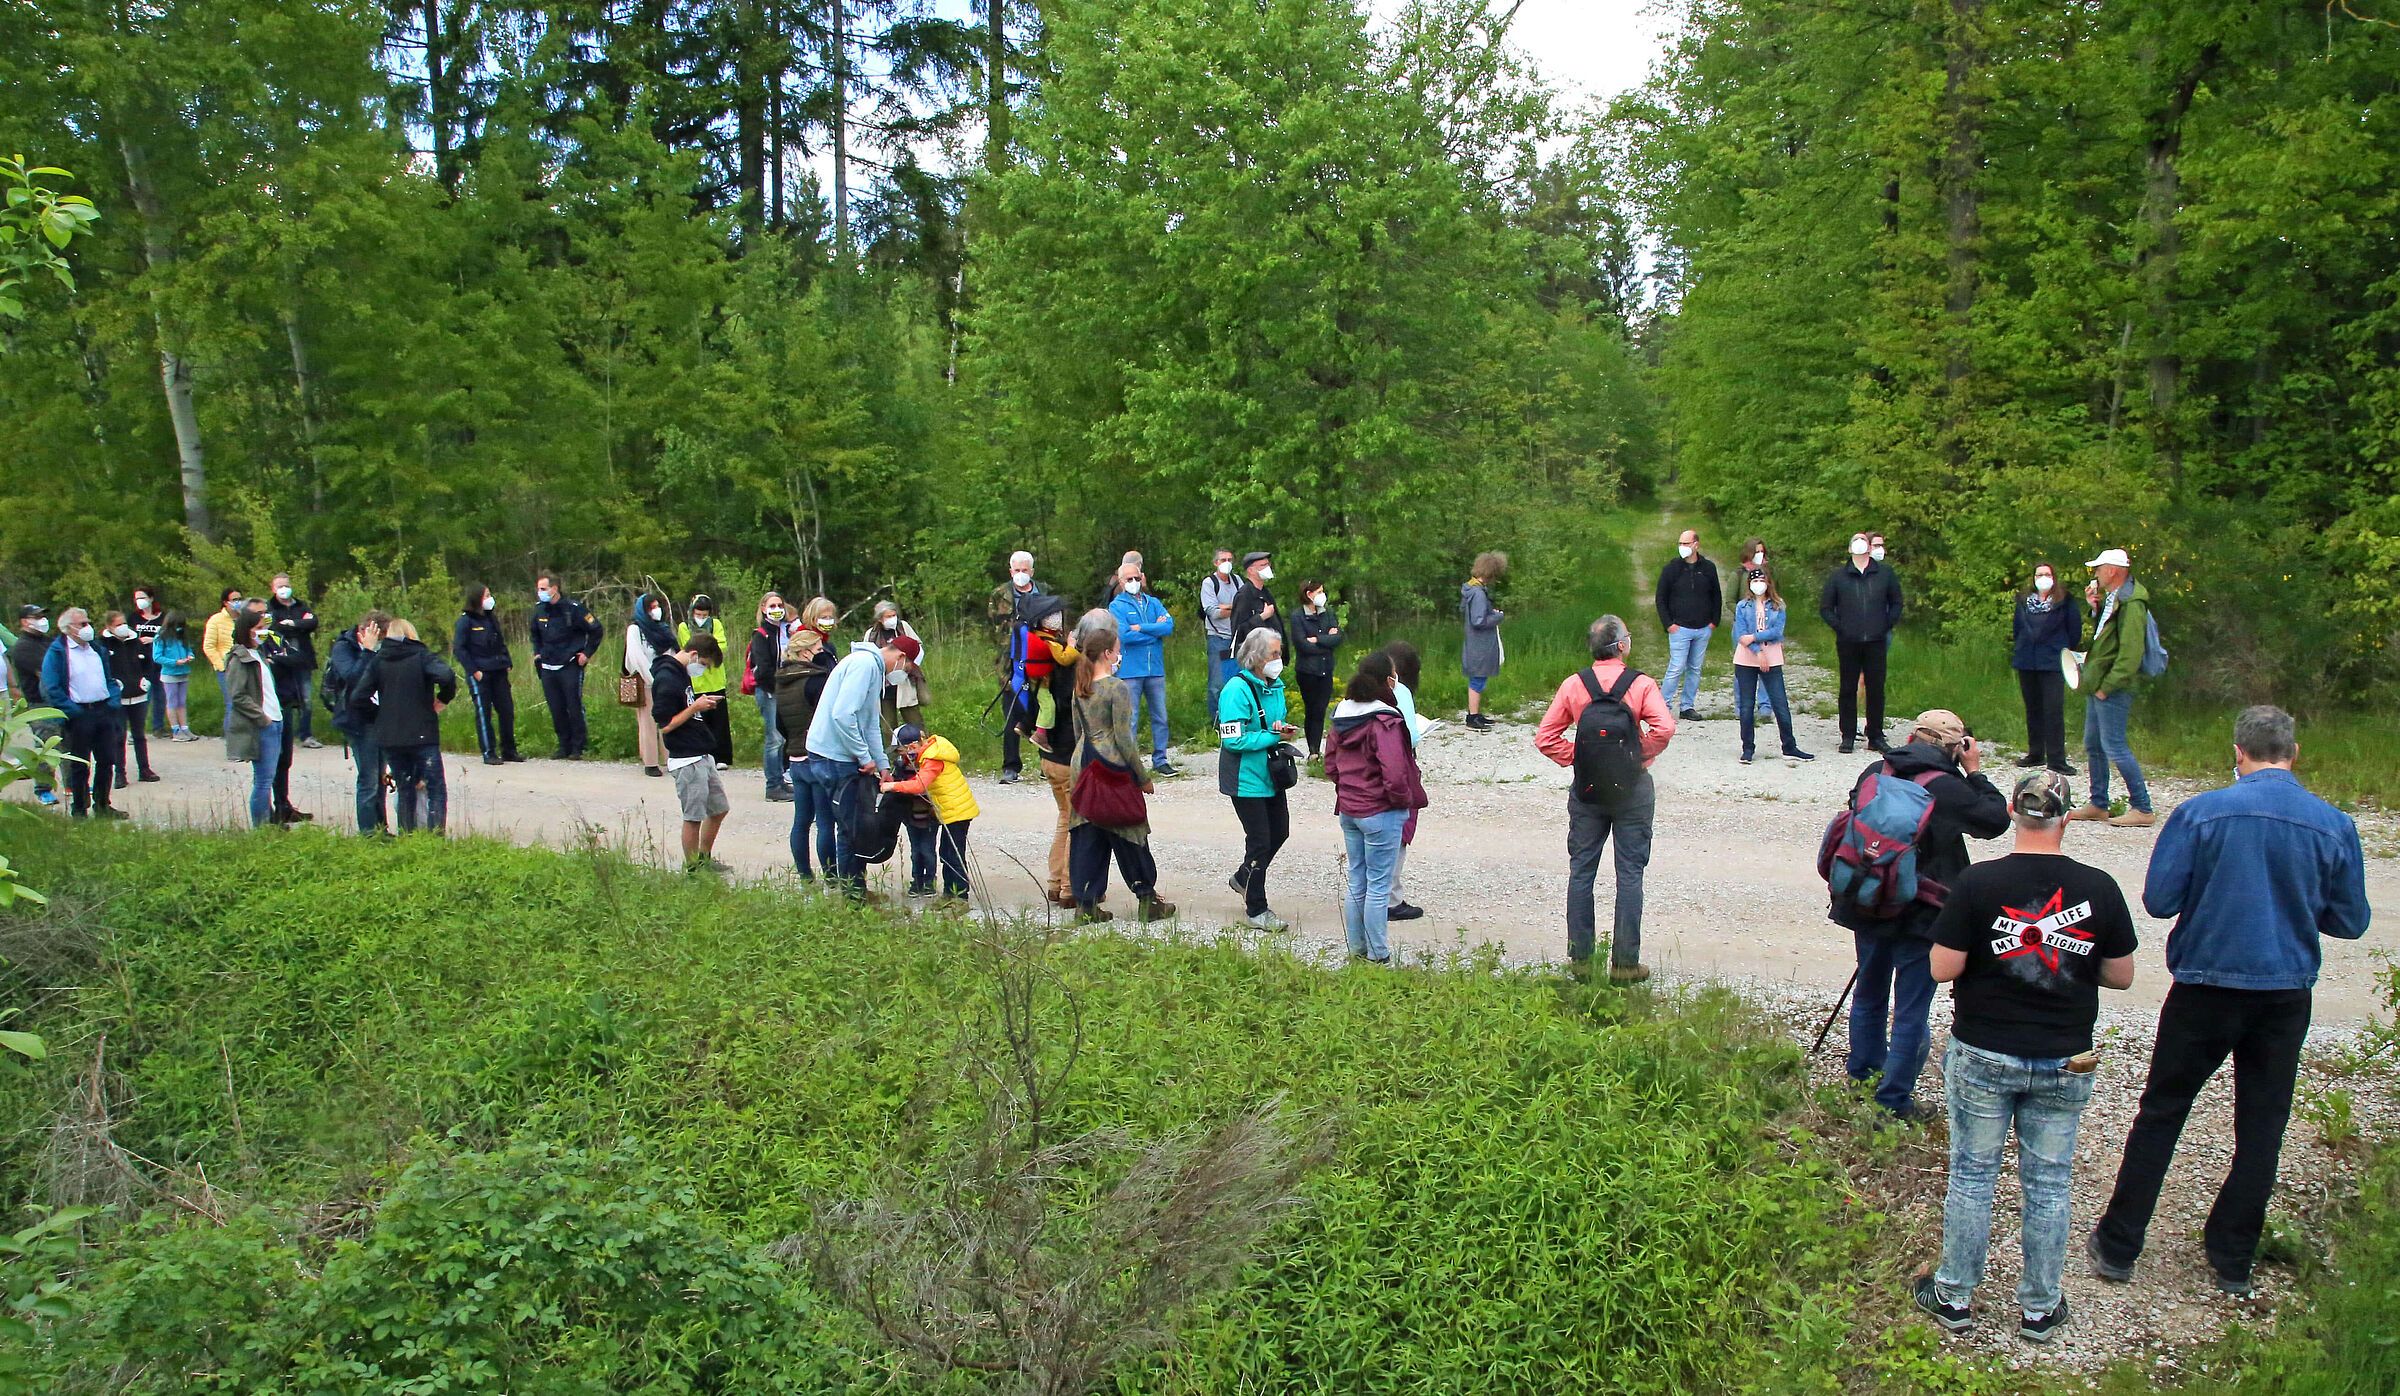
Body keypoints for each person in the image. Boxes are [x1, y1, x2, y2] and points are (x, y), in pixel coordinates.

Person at [2090, 705, 2372, 1298]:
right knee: (2262, 1126)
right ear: (2293, 754)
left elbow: (2161, 899)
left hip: (2204, 986)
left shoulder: (2200, 814)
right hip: (2283, 992)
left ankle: (2119, 1244)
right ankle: (2232, 1258)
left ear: (2237, 754)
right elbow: (2350, 920)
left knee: (2163, 1111)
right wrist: (2297, 902)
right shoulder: (2333, 824)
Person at [1913, 769, 2137, 1343]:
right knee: (2050, 1183)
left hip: (1985, 1049)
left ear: (2012, 810)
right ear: (2066, 817)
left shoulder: (1978, 883)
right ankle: (2040, 1306)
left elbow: (1942, 968)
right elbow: (2121, 975)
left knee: (1972, 1175)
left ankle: (1955, 1294)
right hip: (2065, 1056)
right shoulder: (2101, 887)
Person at [1833, 709, 2010, 1118]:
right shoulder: (1948, 787)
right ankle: (1893, 1102)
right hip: (1923, 909)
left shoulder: (1876, 770)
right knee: (1911, 1007)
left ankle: (1862, 1079)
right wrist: (1975, 771)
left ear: (1912, 735)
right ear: (1955, 748)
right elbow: (1994, 820)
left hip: (1870, 897)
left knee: (1870, 992)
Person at [1533, 615, 1676, 981]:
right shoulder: (1641, 684)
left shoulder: (1574, 685)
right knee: (1630, 874)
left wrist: (1582, 758)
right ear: (1622, 646)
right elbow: (1664, 727)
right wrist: (1635, 757)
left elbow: (1545, 737)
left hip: (1588, 790)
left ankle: (1581, 961)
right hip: (1633, 788)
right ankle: (1625, 964)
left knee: (1582, 871)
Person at [1067, 610, 1175, 923]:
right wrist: (1142, 778)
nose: (1119, 655)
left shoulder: (1080, 687)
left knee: (1087, 832)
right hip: (1110, 764)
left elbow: (1078, 731)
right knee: (1129, 827)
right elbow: (1124, 740)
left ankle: (1086, 904)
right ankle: (1146, 898)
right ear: (1108, 653)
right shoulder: (1117, 688)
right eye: (1117, 650)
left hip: (1082, 762)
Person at [1325, 652, 1427, 964]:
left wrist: (1350, 788)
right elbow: (1395, 772)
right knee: (1379, 886)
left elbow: (1331, 765)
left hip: (1350, 809)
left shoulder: (1341, 715)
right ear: (1388, 681)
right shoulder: (1385, 719)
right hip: (1380, 811)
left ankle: (1357, 950)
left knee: (1358, 880)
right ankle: (1379, 955)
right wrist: (1399, 803)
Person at [803, 630, 915, 894]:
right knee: (849, 827)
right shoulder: (863, 665)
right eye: (908, 667)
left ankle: (853, 888)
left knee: (852, 824)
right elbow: (843, 714)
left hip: (839, 754)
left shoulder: (873, 670)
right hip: (833, 756)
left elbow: (870, 725)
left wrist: (883, 765)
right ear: (900, 656)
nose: (906, 673)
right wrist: (865, 758)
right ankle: (853, 894)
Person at [2065, 548, 2156, 828]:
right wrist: (2094, 607)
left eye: (2099, 569)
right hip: (2099, 682)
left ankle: (2142, 807)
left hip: (2113, 685)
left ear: (2113, 571)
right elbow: (2104, 636)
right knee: (2093, 743)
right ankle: (2098, 803)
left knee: (2114, 745)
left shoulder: (2132, 603)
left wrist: (2108, 686)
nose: (2096, 574)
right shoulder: (2113, 599)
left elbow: (2130, 653)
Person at [1218, 625, 1301, 930]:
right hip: (1244, 777)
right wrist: (1269, 736)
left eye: (1280, 653)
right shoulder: (1235, 691)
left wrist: (1281, 729)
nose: (1279, 659)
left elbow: (1271, 723)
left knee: (1280, 831)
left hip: (1270, 773)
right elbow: (1233, 740)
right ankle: (1257, 908)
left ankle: (1243, 878)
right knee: (1260, 841)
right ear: (1255, 657)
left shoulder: (1274, 685)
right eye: (1274, 654)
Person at [351, 618, 457, 834]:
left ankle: (407, 835)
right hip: (422, 733)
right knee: (435, 787)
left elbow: (358, 697)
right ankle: (435, 836)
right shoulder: (420, 656)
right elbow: (446, 675)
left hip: (391, 736)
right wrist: (443, 698)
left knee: (405, 785)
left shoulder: (379, 660)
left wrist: (380, 715)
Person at [1819, 532, 1905, 754]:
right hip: (1848, 641)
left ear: (1869, 547)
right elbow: (1826, 608)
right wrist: (1841, 628)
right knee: (1848, 688)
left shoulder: (1884, 574)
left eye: (1863, 540)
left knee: (1876, 688)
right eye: (1855, 540)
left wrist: (1885, 625)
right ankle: (1848, 734)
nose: (1859, 544)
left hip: (1876, 640)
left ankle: (1875, 734)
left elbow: (1896, 602)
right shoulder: (1838, 577)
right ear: (1849, 549)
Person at [652, 630, 731, 872]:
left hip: (701, 752)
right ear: (694, 654)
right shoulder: (667, 678)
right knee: (693, 816)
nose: (703, 670)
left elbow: (684, 707)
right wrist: (695, 706)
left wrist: (700, 704)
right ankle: (692, 868)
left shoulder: (681, 674)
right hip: (686, 758)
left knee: (719, 809)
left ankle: (704, 857)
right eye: (704, 665)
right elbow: (665, 724)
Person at [1023, 593, 1083, 906]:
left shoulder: (1038, 660)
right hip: (1066, 754)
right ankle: (1071, 888)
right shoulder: (1063, 661)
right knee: (1075, 820)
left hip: (1048, 758)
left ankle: (1054, 883)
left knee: (1063, 817)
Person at [39, 607, 126, 819]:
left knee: (107, 760)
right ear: (68, 628)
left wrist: (113, 701)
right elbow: (52, 687)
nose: (88, 628)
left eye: (88, 622)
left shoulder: (97, 649)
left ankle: (103, 804)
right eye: (82, 624)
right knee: (79, 764)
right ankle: (79, 809)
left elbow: (109, 678)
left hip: (103, 710)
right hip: (79, 714)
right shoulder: (58, 652)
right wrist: (73, 711)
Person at [882, 721, 981, 900]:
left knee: (953, 855)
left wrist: (892, 786)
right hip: (952, 811)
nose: (900, 755)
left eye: (900, 751)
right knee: (947, 853)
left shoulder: (933, 759)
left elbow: (919, 785)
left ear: (912, 746)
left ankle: (959, 897)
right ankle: (950, 895)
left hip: (956, 812)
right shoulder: (932, 753)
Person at [774, 623, 839, 881]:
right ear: (805, 653)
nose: (822, 652)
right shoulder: (815, 680)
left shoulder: (782, 681)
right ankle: (832, 876)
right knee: (825, 822)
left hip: (795, 757)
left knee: (801, 821)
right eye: (817, 648)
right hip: (817, 755)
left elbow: (780, 723)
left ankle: (804, 874)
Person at [1731, 567, 1813, 764]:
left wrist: (1755, 637)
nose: (1758, 584)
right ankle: (1747, 748)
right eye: (1754, 581)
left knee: (1780, 703)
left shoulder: (1778, 606)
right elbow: (1742, 635)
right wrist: (1758, 651)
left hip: (1773, 656)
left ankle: (1789, 746)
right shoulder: (1742, 606)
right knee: (1746, 705)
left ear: (1768, 583)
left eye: (1761, 580)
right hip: (1747, 658)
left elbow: (1777, 631)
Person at [322, 610, 391, 834]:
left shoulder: (379, 648)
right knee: (369, 779)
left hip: (379, 717)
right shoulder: (344, 647)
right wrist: (368, 651)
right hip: (358, 719)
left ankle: (381, 827)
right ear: (365, 631)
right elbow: (353, 677)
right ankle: (368, 831)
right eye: (379, 638)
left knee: (381, 778)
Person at [1108, 562, 1179, 777]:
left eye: (1136, 578)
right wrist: (1153, 632)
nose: (1133, 582)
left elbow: (1168, 626)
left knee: (1161, 716)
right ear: (1121, 582)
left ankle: (1161, 760)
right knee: (1131, 718)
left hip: (1155, 669)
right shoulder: (1116, 606)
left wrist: (1142, 628)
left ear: (1142, 578)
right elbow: (1125, 636)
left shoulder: (1153, 602)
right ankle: (1130, 762)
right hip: (1130, 670)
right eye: (1128, 579)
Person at [2011, 562, 2082, 776]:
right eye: (2039, 574)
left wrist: (2062, 650)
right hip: (2027, 660)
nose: (2043, 578)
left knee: (2053, 709)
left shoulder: (2065, 601)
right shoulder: (2024, 601)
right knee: (2033, 708)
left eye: (2047, 574)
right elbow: (2017, 628)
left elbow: (2074, 630)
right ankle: (2035, 753)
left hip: (2053, 661)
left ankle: (2057, 759)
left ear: (2054, 577)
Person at [220, 609, 284, 828]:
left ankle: (270, 821)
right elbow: (238, 695)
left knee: (269, 777)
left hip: (276, 720)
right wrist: (262, 718)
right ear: (245, 631)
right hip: (263, 724)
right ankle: (261, 827)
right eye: (257, 629)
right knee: (263, 780)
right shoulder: (239, 658)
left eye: (263, 628)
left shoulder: (259, 654)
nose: (262, 632)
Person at [1380, 640, 1428, 922]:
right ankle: (1390, 899)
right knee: (1398, 833)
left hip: (1362, 780)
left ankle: (1371, 895)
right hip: (1396, 771)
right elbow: (1410, 736)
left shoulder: (1357, 693)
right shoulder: (1402, 693)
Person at [533, 575, 603, 761]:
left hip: (569, 664)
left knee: (573, 705)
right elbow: (535, 634)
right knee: (556, 707)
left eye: (543, 589)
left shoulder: (574, 609)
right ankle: (563, 745)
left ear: (554, 588)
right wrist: (537, 653)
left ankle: (578, 746)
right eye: (539, 589)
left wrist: (586, 653)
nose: (540, 593)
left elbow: (596, 629)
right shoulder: (539, 610)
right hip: (548, 666)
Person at [1654, 529, 1721, 722]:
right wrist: (1668, 624)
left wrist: (1713, 622)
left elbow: (1716, 595)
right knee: (1676, 667)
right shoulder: (1671, 569)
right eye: (1680, 544)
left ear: (1696, 545)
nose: (1682, 547)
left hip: (1702, 628)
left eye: (1686, 543)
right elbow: (1661, 598)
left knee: (1695, 668)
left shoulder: (1708, 568)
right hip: (1679, 628)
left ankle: (1687, 706)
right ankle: (1662, 705)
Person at [991, 551, 1046, 783]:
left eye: (1025, 570)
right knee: (1011, 712)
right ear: (1010, 571)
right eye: (1017, 570)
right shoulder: (999, 595)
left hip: (1041, 659)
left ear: (1032, 572)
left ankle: (1048, 763)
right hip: (1011, 663)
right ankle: (1011, 766)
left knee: (1045, 710)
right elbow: (995, 629)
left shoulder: (1044, 590)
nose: (1021, 575)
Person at [453, 584, 522, 765]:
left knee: (506, 710)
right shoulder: (465, 621)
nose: (490, 599)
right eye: (486, 596)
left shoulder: (491, 619)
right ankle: (488, 751)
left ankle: (509, 749)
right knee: (484, 712)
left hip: (498, 670)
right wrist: (474, 670)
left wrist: (507, 662)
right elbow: (460, 649)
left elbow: (500, 642)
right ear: (477, 599)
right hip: (480, 672)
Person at [261, 596, 314, 822]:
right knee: (269, 761)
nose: (265, 617)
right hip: (265, 706)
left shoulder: (275, 635)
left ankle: (283, 805)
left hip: (285, 700)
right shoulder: (248, 640)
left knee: (285, 759)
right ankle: (267, 815)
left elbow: (299, 658)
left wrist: (279, 659)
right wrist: (280, 658)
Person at [97, 612, 158, 786]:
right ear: (109, 627)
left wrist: (146, 678)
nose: (123, 627)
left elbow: (147, 663)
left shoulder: (136, 642)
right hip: (118, 698)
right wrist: (112, 685)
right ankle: (120, 773)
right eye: (118, 624)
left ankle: (144, 769)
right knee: (118, 736)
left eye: (124, 623)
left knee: (139, 735)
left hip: (138, 695)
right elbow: (102, 669)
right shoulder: (103, 645)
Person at [265, 573, 323, 749]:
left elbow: (313, 622)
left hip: (303, 659)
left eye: (286, 585)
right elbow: (274, 626)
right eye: (279, 586)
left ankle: (306, 735)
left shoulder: (301, 605)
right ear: (273, 589)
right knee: (283, 698)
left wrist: (293, 624)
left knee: (306, 698)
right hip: (280, 661)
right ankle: (283, 734)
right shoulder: (269, 607)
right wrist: (298, 624)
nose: (284, 589)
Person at [749, 592, 795, 802]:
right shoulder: (761, 635)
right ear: (763, 609)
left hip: (783, 690)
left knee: (782, 737)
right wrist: (777, 687)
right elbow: (763, 668)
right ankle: (772, 785)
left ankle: (780, 779)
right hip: (769, 691)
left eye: (780, 605)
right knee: (774, 738)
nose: (777, 609)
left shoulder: (785, 632)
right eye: (772, 605)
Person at [9, 606, 58, 805]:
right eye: (36, 617)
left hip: (58, 699)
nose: (41, 620)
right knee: (44, 746)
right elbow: (44, 672)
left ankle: (74, 784)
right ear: (24, 621)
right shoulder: (22, 647)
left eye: (42, 616)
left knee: (67, 744)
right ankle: (43, 788)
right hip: (39, 701)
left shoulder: (48, 641)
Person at [1291, 579, 1343, 760]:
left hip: (1326, 669)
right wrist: (1325, 640)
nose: (1323, 594)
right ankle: (1313, 750)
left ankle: (1317, 750)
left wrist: (1318, 639)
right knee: (1312, 709)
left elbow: (1337, 638)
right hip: (1307, 671)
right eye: (1319, 591)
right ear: (1309, 594)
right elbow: (1302, 645)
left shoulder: (1327, 613)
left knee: (1321, 710)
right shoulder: (1297, 616)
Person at [624, 594, 673, 776]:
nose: (656, 610)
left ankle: (671, 758)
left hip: (665, 680)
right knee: (648, 722)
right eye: (651, 607)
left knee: (668, 719)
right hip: (646, 682)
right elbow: (636, 656)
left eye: (657, 606)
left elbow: (671, 650)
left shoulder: (663, 629)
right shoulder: (635, 630)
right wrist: (652, 678)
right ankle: (651, 761)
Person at [864, 599, 926, 736]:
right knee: (888, 727)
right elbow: (867, 656)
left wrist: (909, 665)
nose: (892, 619)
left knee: (915, 721)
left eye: (894, 615)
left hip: (904, 681)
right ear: (880, 618)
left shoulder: (903, 627)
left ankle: (924, 750)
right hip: (884, 686)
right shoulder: (871, 634)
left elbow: (918, 647)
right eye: (888, 616)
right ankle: (894, 754)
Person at [1460, 552, 1507, 729]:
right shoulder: (1478, 593)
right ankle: (1473, 717)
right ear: (1491, 573)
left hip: (1474, 642)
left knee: (1478, 678)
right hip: (1479, 644)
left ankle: (1476, 714)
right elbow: (1478, 621)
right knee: (1477, 679)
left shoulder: (1470, 589)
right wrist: (1497, 617)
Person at [1201, 547, 1241, 717]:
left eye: (1229, 560)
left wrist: (1226, 606)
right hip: (1218, 638)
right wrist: (1234, 607)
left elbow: (1246, 606)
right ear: (1215, 563)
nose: (1227, 563)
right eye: (1223, 560)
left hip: (1237, 638)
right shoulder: (1210, 583)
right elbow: (1214, 613)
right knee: (1217, 683)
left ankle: (1237, 718)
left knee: (1238, 680)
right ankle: (1217, 721)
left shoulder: (1238, 581)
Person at [203, 586, 244, 740]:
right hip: (226, 667)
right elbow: (209, 646)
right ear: (225, 603)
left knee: (245, 704)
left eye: (240, 599)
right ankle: (231, 741)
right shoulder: (216, 620)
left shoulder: (244, 618)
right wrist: (221, 666)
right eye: (234, 600)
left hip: (245, 665)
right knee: (232, 704)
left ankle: (243, 739)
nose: (238, 603)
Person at [1229, 551, 1286, 659]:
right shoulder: (1244, 595)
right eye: (1263, 565)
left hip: (1271, 654)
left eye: (1268, 565)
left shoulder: (1265, 592)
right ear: (1251, 570)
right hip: (1254, 657)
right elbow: (1239, 629)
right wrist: (1262, 617)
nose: (1267, 568)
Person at [129, 586, 168, 737]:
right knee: (143, 695)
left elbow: (169, 636)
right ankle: (137, 729)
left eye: (143, 597)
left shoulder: (162, 617)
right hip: (140, 661)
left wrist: (153, 639)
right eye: (137, 598)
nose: (140, 601)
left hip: (159, 660)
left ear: (151, 598)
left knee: (160, 695)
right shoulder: (134, 617)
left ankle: (158, 727)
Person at [154, 615, 196, 741]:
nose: (179, 628)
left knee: (182, 702)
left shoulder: (182, 637)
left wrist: (190, 656)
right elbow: (157, 657)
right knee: (172, 702)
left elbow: (189, 650)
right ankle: (175, 730)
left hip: (183, 672)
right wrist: (174, 662)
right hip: (169, 673)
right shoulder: (161, 638)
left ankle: (185, 727)